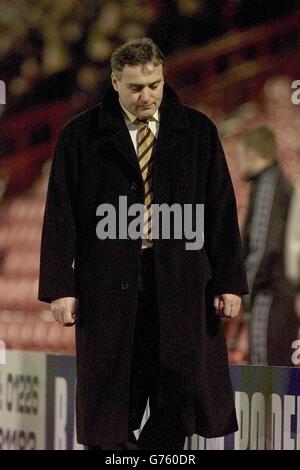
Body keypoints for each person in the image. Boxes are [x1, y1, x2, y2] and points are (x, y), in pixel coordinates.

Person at [38, 38, 248, 450]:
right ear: (115, 82)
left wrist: (229, 280)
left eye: (154, 84)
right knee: (112, 396)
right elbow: (61, 217)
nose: (147, 95)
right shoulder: (80, 137)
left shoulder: (198, 131)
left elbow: (221, 208)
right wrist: (60, 287)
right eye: (136, 87)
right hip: (109, 283)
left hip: (181, 280)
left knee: (180, 391)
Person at [238, 126, 299, 366]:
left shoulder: (268, 182)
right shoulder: (276, 182)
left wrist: (245, 290)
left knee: (264, 373)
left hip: (269, 295)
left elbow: (263, 244)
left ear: (252, 153)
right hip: (279, 296)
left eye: (241, 155)